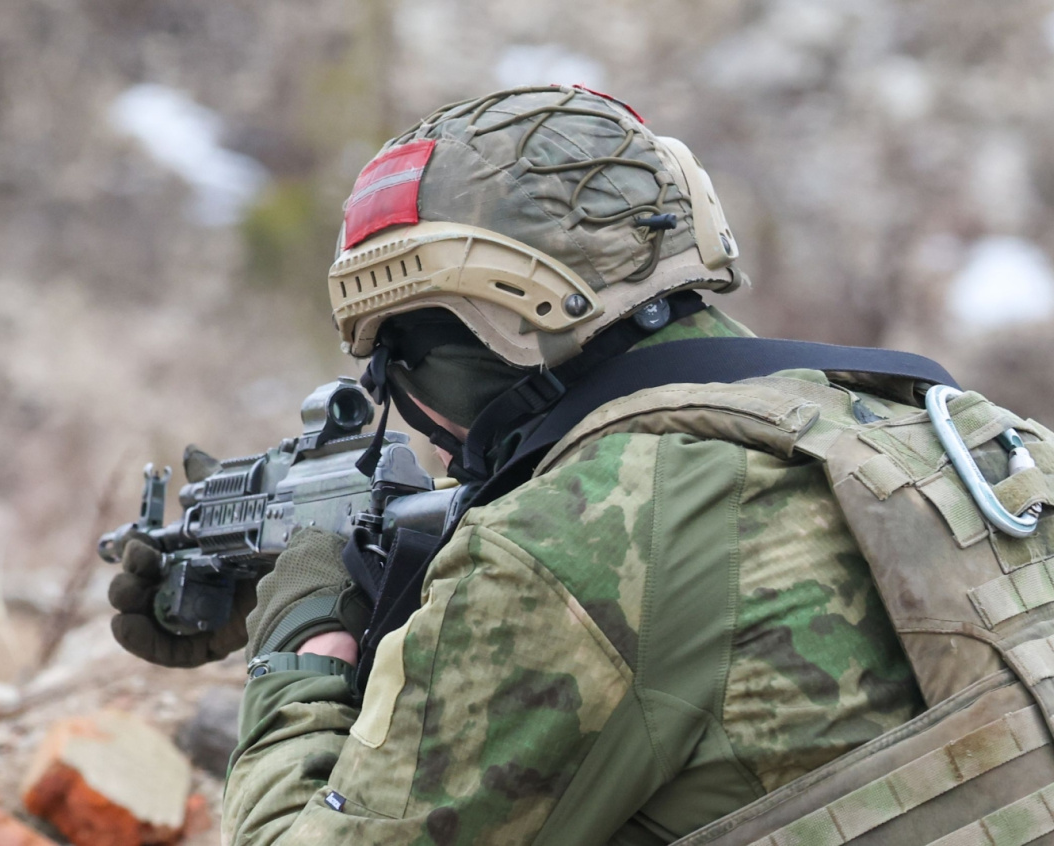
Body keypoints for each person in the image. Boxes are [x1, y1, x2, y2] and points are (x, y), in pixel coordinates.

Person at [110, 86, 1054, 845]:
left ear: (500, 326)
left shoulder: (565, 546)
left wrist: (301, 646)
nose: (423, 421)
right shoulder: (960, 435)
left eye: (408, 359)